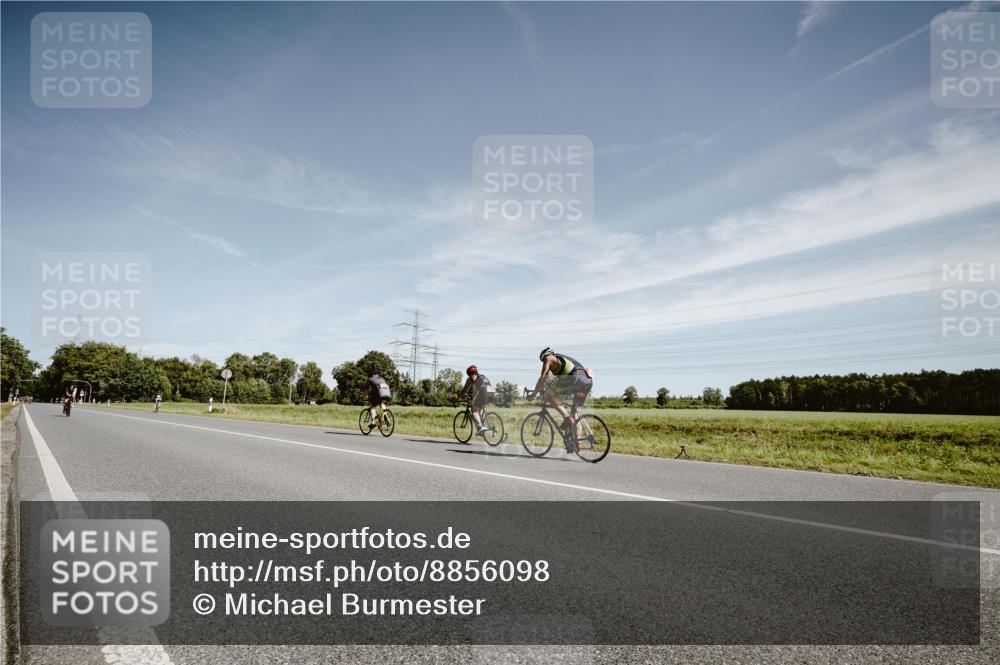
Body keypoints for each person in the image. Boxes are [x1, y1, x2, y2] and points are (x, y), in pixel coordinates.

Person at [531, 347, 593, 451]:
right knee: (575, 412)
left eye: (543, 360)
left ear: (547, 355)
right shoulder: (564, 359)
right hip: (586, 382)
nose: (544, 362)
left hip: (574, 380)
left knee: (549, 393)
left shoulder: (549, 358)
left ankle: (567, 418)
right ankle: (576, 444)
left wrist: (534, 393)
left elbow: (543, 377)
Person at [457, 365, 495, 436]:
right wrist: (473, 398)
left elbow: (465, 389)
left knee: (474, 410)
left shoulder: (471, 378)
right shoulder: (483, 376)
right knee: (479, 408)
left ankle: (480, 427)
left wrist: (458, 398)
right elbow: (477, 390)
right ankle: (482, 425)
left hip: (484, 392)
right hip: (492, 393)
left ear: (469, 374)